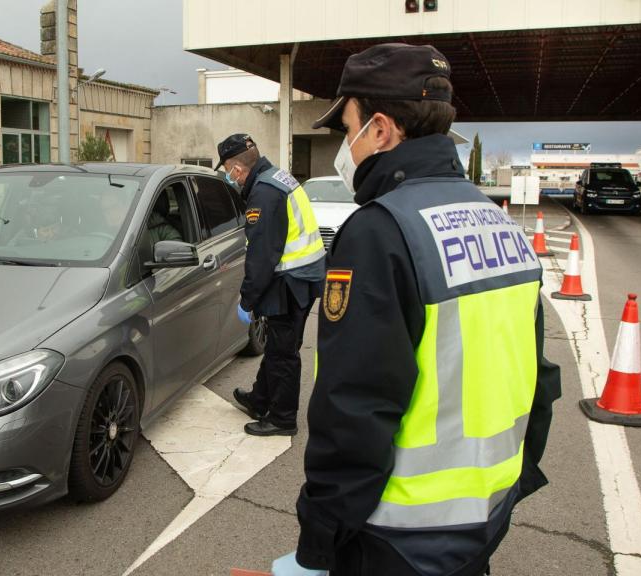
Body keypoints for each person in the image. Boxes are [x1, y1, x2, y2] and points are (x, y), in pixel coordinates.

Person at [287, 44, 561, 575]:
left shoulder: (381, 231)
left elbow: (353, 409)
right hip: (484, 518)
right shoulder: (500, 224)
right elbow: (539, 380)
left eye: (348, 129)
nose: (347, 146)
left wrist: (320, 540)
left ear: (382, 130)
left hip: (396, 536)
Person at [216, 134, 326, 436]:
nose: (228, 175)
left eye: (227, 168)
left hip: (291, 280)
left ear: (237, 169)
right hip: (305, 275)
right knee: (281, 345)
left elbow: (262, 257)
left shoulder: (263, 194)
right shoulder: (277, 176)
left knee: (283, 354)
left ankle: (282, 418)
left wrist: (247, 301)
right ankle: (260, 399)